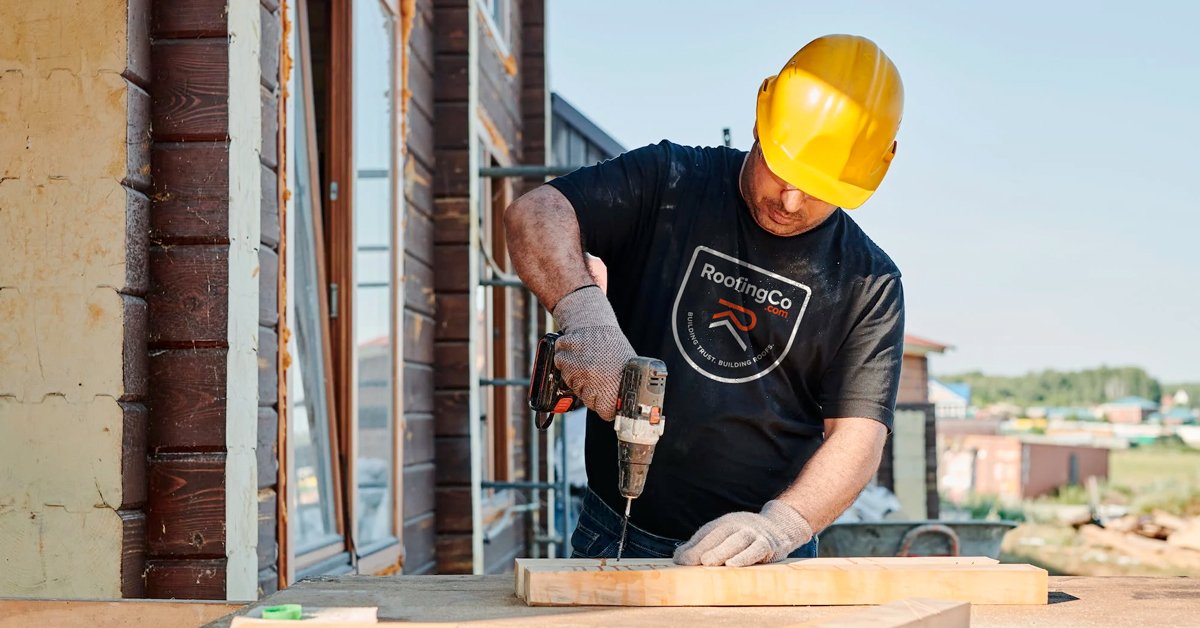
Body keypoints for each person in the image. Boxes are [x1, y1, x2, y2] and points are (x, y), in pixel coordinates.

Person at [504, 34, 906, 567]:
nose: (791, 200)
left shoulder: (869, 282)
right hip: (618, 531)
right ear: (760, 124)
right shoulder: (670, 180)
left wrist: (781, 526)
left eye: (818, 187)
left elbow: (858, 439)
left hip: (764, 554)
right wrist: (583, 313)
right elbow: (536, 213)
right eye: (783, 170)